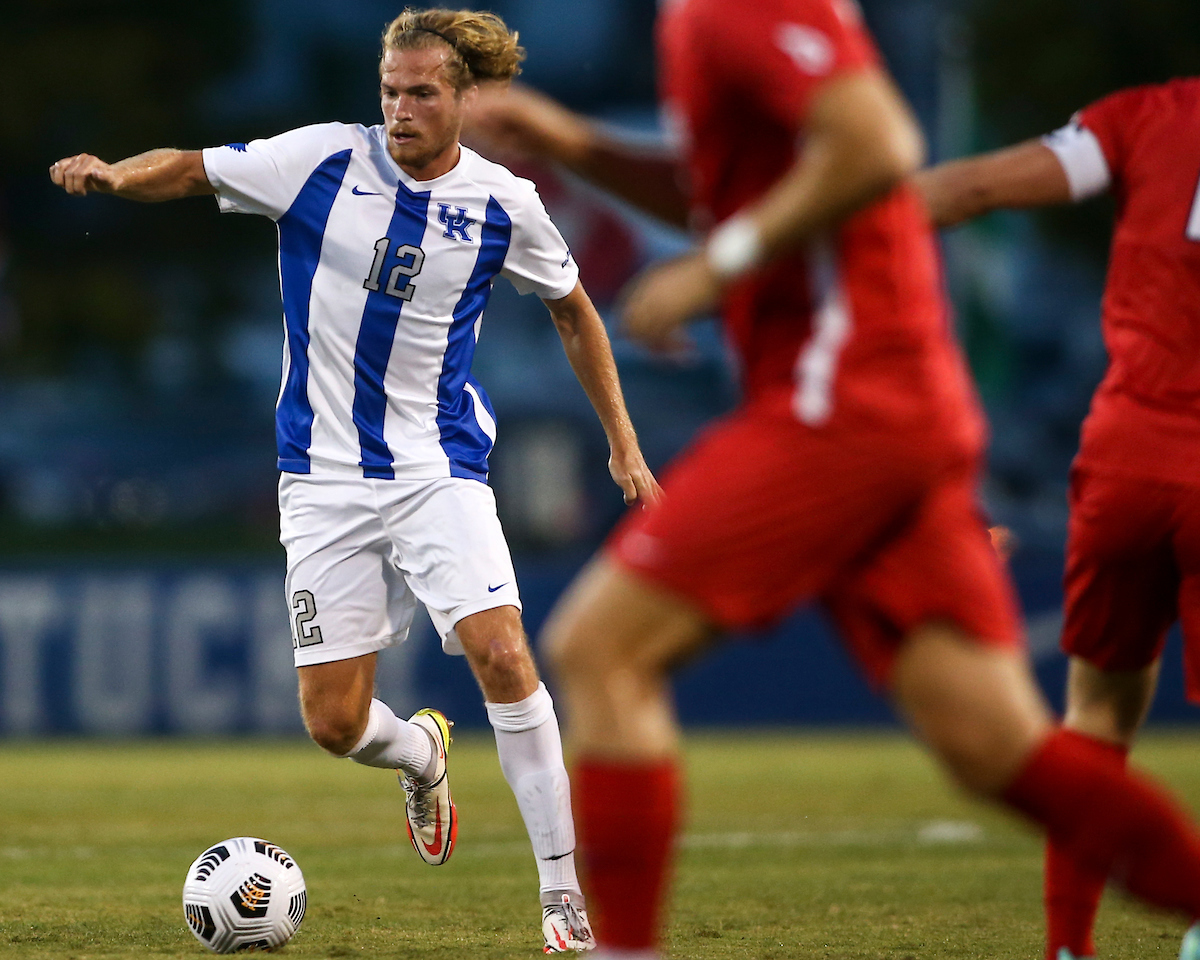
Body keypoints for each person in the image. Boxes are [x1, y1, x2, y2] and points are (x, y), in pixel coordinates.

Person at [465, 2, 1200, 958]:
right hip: (887, 401)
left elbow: (878, 143)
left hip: (847, 397)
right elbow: (735, 188)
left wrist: (716, 268)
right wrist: (573, 144)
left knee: (602, 648)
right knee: (998, 749)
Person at [49, 8, 662, 953]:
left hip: (437, 466)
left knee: (504, 654)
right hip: (322, 477)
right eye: (391, 91)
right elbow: (191, 166)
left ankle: (564, 900)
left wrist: (622, 442)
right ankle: (421, 755)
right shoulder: (322, 161)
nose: (402, 109)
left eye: (422, 92)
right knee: (334, 723)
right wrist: (114, 173)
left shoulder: (505, 203)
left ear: (463, 99)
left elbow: (575, 311)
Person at [915, 77, 1200, 960]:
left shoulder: (1157, 114)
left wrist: (827, 220)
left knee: (1098, 716)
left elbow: (976, 188)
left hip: (1128, 460)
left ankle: (1069, 949)